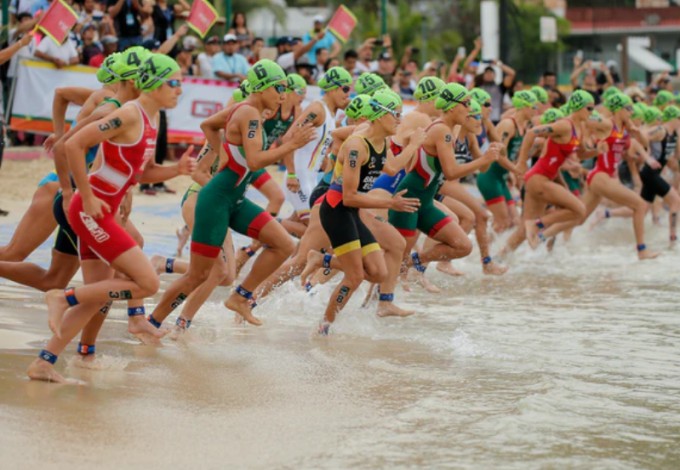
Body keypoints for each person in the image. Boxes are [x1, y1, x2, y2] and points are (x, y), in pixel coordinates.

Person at [27, 54, 188, 383]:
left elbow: (144, 173)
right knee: (148, 282)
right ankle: (61, 297)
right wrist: (83, 194)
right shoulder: (127, 113)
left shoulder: (149, 119)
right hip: (92, 211)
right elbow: (73, 144)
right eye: (174, 83)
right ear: (154, 84)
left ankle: (44, 363)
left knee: (98, 294)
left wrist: (178, 170)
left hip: (104, 212)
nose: (180, 90)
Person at [147, 59, 316, 328]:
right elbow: (255, 161)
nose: (283, 96)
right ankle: (153, 322)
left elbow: (208, 125)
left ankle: (240, 297)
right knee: (199, 275)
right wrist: (291, 144)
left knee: (284, 244)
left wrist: (223, 150)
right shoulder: (248, 112)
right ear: (261, 88)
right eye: (279, 89)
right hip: (215, 200)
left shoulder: (250, 112)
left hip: (234, 200)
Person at [308, 90, 421, 334]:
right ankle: (324, 326)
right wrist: (391, 204)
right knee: (355, 276)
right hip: (337, 210)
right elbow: (348, 196)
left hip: (353, 212)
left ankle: (322, 259)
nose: (400, 120)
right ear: (380, 115)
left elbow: (391, 168)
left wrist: (413, 146)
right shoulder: (357, 146)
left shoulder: (383, 142)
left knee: (379, 273)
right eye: (396, 115)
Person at [283, 66, 352, 225]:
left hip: (311, 177)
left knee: (305, 227)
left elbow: (319, 152)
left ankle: (256, 245)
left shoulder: (331, 113)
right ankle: (275, 230)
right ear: (333, 89)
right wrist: (292, 174)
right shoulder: (317, 109)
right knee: (315, 228)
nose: (348, 94)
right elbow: (288, 139)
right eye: (345, 89)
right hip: (299, 177)